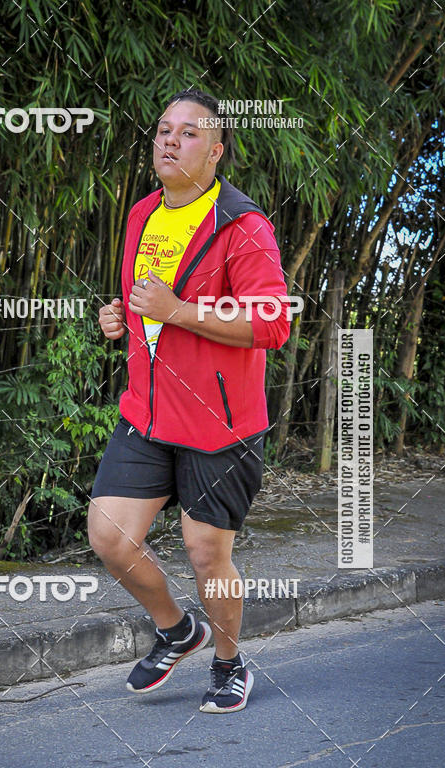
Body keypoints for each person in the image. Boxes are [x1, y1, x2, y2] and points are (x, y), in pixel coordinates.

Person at [88, 89, 290, 713]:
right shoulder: (142, 214)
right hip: (147, 412)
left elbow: (272, 321)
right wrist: (122, 317)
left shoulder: (242, 226)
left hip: (217, 422)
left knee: (207, 554)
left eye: (189, 133)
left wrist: (177, 311)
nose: (171, 141)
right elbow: (149, 304)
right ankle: (178, 629)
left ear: (216, 151)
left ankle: (230, 664)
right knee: (109, 537)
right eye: (163, 130)